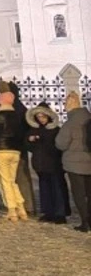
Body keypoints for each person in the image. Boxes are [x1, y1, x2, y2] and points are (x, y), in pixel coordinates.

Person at [0, 92, 28, 222]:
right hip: (15, 151)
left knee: (4, 180)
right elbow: (22, 133)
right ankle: (20, 207)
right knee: (12, 180)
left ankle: (12, 209)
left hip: (0, 150)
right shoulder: (17, 116)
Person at [26, 103, 67, 224]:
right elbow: (28, 146)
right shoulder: (33, 130)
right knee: (44, 189)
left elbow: (59, 147)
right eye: (39, 117)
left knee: (57, 189)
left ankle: (60, 213)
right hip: (40, 165)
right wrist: (30, 141)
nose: (41, 119)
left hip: (54, 164)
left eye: (43, 116)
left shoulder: (56, 130)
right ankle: (48, 212)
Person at [55, 91, 91, 232]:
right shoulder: (88, 118)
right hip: (89, 161)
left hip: (74, 164)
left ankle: (85, 222)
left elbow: (61, 143)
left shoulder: (70, 123)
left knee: (79, 194)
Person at [6, 82, 36, 216]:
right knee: (21, 177)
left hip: (14, 146)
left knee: (19, 177)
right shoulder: (21, 108)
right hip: (19, 146)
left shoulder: (12, 109)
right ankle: (26, 204)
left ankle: (26, 205)